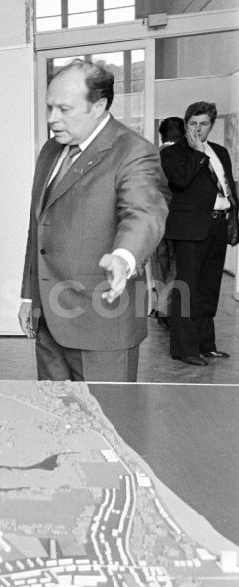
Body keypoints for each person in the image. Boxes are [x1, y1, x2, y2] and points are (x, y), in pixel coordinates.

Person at [19, 60, 168, 382]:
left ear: (98, 106)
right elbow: (39, 229)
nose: (51, 119)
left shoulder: (132, 151)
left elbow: (144, 212)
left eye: (64, 109)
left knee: (106, 422)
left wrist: (124, 256)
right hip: (48, 318)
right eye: (49, 107)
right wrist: (29, 296)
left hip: (102, 321)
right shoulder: (50, 150)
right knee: (57, 419)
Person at [162, 101, 237, 366]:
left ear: (211, 125)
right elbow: (180, 181)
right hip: (189, 230)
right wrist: (196, 152)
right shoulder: (173, 153)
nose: (197, 129)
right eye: (192, 124)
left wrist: (234, 219)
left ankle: (206, 345)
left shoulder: (220, 151)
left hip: (217, 225)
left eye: (203, 124)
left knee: (209, 289)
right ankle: (184, 349)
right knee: (187, 289)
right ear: (185, 125)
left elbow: (228, 188)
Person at [151, 116, 186, 328]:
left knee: (160, 265)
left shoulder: (151, 157)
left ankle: (162, 308)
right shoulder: (181, 157)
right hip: (178, 219)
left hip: (155, 220)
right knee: (177, 265)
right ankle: (168, 309)